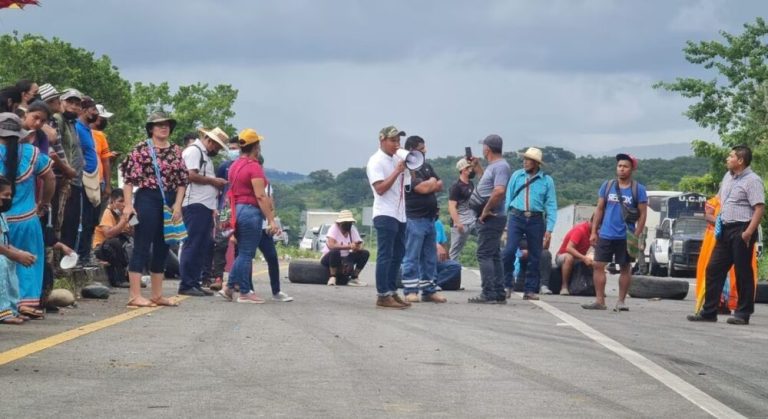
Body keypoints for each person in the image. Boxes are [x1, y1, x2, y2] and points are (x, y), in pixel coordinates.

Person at [688, 145, 764, 325]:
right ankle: (709, 312)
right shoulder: (727, 178)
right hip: (725, 230)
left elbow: (759, 208)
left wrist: (748, 233)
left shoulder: (752, 180)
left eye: (731, 156)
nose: (727, 159)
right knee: (714, 268)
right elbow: (720, 199)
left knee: (742, 272)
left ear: (740, 161)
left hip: (742, 230)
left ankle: (742, 313)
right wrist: (711, 213)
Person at [120, 111, 188, 308]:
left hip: (169, 198)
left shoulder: (176, 150)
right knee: (142, 243)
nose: (163, 127)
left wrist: (178, 205)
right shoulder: (140, 149)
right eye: (159, 125)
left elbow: (183, 181)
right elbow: (128, 180)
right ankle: (134, 295)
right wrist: (128, 205)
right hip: (147, 197)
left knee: (164, 245)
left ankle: (157, 294)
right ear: (151, 128)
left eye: (166, 124)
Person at [0, 113, 54, 317]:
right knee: (30, 260)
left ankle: (6, 307)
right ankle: (27, 303)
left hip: (2, 219)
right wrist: (44, 203)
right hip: (27, 218)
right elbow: (50, 179)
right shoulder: (32, 153)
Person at [220, 128, 278, 304]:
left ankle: (230, 288)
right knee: (246, 253)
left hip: (236, 210)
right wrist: (271, 219)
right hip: (250, 211)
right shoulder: (254, 167)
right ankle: (243, 291)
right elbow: (261, 196)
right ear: (256, 147)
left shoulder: (234, 165)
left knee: (243, 253)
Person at [582, 153, 647, 311]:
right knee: (598, 265)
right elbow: (599, 209)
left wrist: (636, 236)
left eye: (625, 166)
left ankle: (621, 301)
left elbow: (643, 214)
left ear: (631, 169)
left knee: (625, 267)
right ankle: (600, 301)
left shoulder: (638, 189)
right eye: (619, 166)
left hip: (626, 235)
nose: (622, 169)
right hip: (606, 233)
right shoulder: (608, 185)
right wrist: (593, 231)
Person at [502, 147, 557, 300]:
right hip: (516, 216)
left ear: (536, 163)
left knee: (535, 256)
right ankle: (507, 284)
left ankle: (530, 290)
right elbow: (508, 198)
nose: (525, 162)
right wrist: (505, 220)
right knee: (509, 251)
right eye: (524, 159)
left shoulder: (547, 180)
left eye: (528, 160)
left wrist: (550, 229)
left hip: (536, 219)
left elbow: (551, 205)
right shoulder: (516, 176)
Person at [178, 127, 228, 296]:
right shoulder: (194, 151)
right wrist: (214, 181)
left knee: (202, 245)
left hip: (204, 206)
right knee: (192, 244)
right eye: (218, 146)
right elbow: (190, 175)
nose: (218, 150)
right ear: (210, 141)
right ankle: (186, 283)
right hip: (195, 204)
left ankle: (194, 282)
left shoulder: (204, 154)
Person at [366, 125, 410, 309]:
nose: (396, 144)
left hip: (400, 213)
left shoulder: (397, 159)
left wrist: (408, 167)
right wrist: (396, 171)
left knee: (398, 254)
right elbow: (380, 189)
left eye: (398, 140)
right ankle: (382, 294)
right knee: (386, 254)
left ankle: (391, 291)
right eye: (393, 140)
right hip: (385, 212)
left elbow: (408, 184)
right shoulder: (375, 161)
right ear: (382, 140)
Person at [400, 135, 446, 303]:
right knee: (412, 256)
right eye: (421, 148)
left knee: (429, 257)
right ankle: (410, 290)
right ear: (412, 149)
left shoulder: (427, 166)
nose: (425, 151)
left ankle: (429, 290)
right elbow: (422, 188)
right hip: (414, 219)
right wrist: (432, 183)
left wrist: (431, 183)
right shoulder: (407, 168)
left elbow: (440, 184)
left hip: (430, 220)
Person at [468, 134, 510, 304]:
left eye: (483, 147)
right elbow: (487, 185)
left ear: (487, 149)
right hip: (493, 215)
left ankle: (488, 292)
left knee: (484, 254)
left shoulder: (501, 166)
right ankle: (498, 291)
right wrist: (478, 168)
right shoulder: (495, 167)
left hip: (491, 216)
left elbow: (499, 191)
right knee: (493, 254)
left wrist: (485, 210)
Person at [253, 153, 293, 301]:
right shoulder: (247, 181)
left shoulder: (267, 184)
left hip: (264, 227)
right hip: (251, 224)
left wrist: (272, 221)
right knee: (246, 258)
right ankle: (247, 289)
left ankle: (276, 291)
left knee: (272, 257)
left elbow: (271, 205)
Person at [0, 175, 38, 324]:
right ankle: (3, 311)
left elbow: (5, 242)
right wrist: (14, 255)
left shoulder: (2, 215)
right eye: (6, 195)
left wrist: (19, 254)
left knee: (9, 262)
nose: (9, 198)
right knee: (2, 262)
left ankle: (12, 309)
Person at [208, 136, 241, 291]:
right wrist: (216, 207)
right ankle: (218, 277)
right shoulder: (223, 167)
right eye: (231, 148)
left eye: (236, 148)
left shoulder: (247, 166)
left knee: (240, 246)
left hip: (241, 209)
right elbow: (217, 189)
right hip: (225, 210)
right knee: (220, 244)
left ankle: (238, 281)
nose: (232, 151)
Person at [74, 96, 102, 265]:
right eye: (94, 110)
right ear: (84, 110)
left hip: (94, 178)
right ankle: (81, 256)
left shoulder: (88, 130)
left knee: (92, 219)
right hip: (83, 178)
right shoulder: (76, 128)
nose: (96, 113)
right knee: (83, 219)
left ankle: (86, 254)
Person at [92, 188, 132, 288]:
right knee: (114, 242)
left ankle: (132, 277)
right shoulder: (107, 212)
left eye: (125, 202)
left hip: (120, 247)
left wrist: (133, 220)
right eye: (120, 201)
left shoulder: (127, 212)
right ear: (112, 202)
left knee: (136, 243)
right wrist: (123, 222)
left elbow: (138, 232)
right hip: (101, 248)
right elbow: (108, 234)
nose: (123, 204)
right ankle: (119, 280)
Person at [321, 210, 369, 287]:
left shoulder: (352, 229)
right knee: (335, 251)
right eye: (345, 223)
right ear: (339, 223)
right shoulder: (334, 229)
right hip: (330, 257)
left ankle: (354, 277)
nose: (348, 225)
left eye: (349, 223)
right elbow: (331, 245)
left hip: (346, 257)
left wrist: (357, 247)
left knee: (365, 253)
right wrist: (349, 246)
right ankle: (332, 277)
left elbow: (359, 243)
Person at [448, 157, 481, 261]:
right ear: (463, 170)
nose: (470, 170)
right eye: (468, 168)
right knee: (455, 250)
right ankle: (450, 271)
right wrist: (458, 223)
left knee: (485, 237)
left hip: (472, 220)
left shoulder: (470, 184)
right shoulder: (456, 186)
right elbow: (451, 206)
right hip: (461, 222)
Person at [555, 217, 594, 295]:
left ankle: (596, 289)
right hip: (563, 256)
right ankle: (564, 287)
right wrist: (584, 258)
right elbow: (569, 248)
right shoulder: (580, 230)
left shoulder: (595, 233)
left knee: (597, 260)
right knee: (569, 257)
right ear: (591, 221)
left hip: (578, 258)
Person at [434, 219, 462, 290]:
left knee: (455, 266)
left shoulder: (438, 223)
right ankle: (428, 285)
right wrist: (435, 244)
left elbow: (443, 244)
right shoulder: (415, 222)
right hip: (421, 260)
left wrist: (447, 259)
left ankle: (435, 283)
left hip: (437, 260)